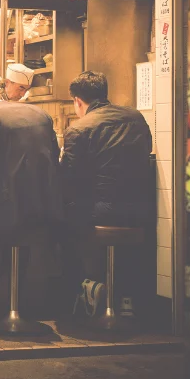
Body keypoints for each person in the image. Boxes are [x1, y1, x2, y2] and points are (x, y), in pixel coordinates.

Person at [0, 83, 62, 319]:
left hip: (6, 208)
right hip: (45, 202)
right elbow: (54, 156)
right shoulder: (41, 114)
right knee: (23, 242)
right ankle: (20, 307)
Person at [61, 71, 154, 317]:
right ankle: (122, 295)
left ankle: (90, 285)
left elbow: (68, 178)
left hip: (101, 211)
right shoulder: (136, 118)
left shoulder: (78, 129)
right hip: (142, 209)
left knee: (63, 220)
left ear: (77, 101)